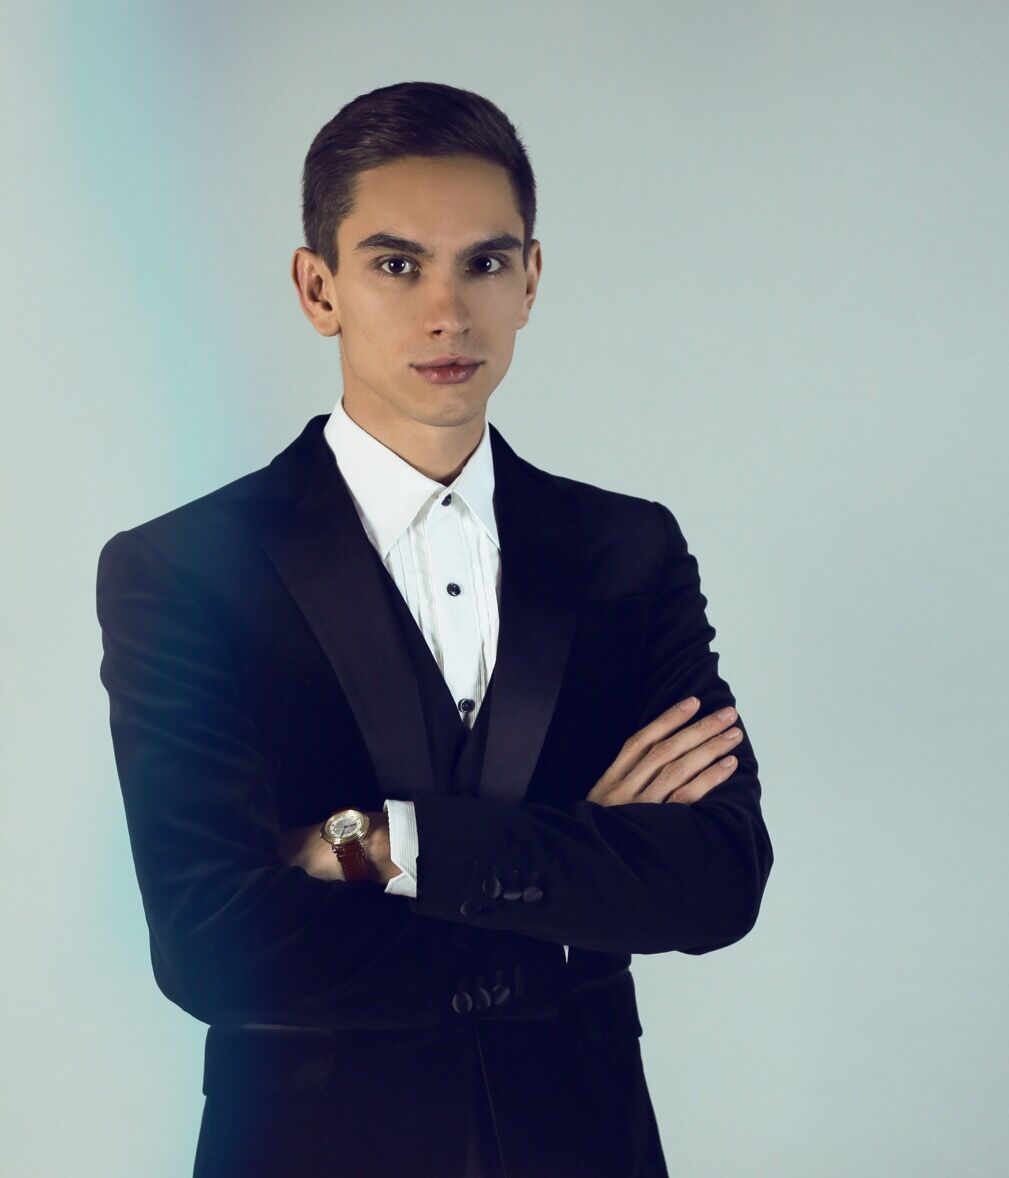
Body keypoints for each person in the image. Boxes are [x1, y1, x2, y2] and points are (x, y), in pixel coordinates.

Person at [95, 80, 773, 1178]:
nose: (447, 311)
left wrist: (383, 845)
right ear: (319, 288)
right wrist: (571, 884)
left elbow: (718, 878)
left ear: (531, 279)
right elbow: (213, 945)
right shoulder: (184, 570)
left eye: (484, 262)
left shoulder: (626, 550)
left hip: (586, 1145)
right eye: (397, 265)